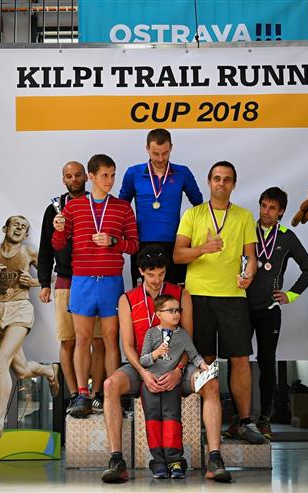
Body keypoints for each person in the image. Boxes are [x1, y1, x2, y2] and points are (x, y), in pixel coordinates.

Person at [101, 245, 230, 484]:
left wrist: (178, 371)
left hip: (178, 365)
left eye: (161, 274)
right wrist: (143, 373)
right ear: (141, 271)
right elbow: (127, 346)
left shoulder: (181, 294)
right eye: (151, 275)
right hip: (143, 366)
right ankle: (116, 460)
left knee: (211, 384)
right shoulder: (127, 299)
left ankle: (215, 459)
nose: (156, 280)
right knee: (110, 385)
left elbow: (188, 339)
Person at [173, 161, 265, 445]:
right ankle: (206, 424)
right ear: (209, 182)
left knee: (240, 359)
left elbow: (251, 257)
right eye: (216, 178)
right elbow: (177, 255)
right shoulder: (193, 214)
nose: (221, 183)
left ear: (233, 184)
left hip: (233, 296)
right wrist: (204, 248)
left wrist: (249, 274)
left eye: (226, 179)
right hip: (198, 296)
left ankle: (244, 422)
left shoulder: (244, 216)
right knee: (205, 360)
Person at [52, 154, 139, 418]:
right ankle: (82, 394)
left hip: (111, 281)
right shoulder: (74, 208)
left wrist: (114, 242)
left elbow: (134, 245)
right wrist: (58, 229)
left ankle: (112, 393)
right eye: (104, 175)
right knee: (82, 339)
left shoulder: (123, 208)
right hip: (82, 281)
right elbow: (58, 244)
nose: (110, 181)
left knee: (111, 339)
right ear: (91, 177)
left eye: (113, 175)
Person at [0, 215, 60, 442]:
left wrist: (35, 282)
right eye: (15, 225)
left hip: (20, 309)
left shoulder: (29, 253)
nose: (19, 229)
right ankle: (49, 371)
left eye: (24, 227)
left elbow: (54, 276)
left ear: (27, 234)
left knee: (0, 361)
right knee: (22, 371)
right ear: (5, 228)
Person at [245, 187, 308, 440]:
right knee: (238, 361)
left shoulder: (286, 237)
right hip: (241, 307)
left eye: (272, 208)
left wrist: (290, 295)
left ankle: (265, 418)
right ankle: (241, 419)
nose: (266, 212)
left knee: (267, 362)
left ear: (281, 211)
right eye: (263, 206)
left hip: (269, 310)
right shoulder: (246, 230)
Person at [38, 161, 106, 413]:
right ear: (63, 179)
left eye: (78, 175)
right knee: (68, 341)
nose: (74, 179)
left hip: (95, 279)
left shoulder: (97, 204)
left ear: (86, 177)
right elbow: (46, 247)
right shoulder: (54, 208)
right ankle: (76, 394)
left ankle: (96, 394)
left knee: (98, 340)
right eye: (69, 176)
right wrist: (44, 283)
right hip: (66, 280)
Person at [119, 128, 203, 286]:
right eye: (155, 153)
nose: (160, 158)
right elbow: (121, 207)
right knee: (144, 295)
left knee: (172, 294)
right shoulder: (133, 173)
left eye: (165, 153)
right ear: (147, 148)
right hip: (142, 243)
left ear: (171, 148)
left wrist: (191, 235)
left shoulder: (182, 172)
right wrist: (126, 237)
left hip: (174, 244)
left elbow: (199, 205)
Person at [140, 294, 209, 479]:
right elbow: (143, 360)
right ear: (158, 314)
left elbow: (194, 355)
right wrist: (156, 353)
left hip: (171, 385)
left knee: (172, 420)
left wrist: (203, 366)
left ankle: (175, 461)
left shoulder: (183, 335)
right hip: (152, 385)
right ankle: (158, 462)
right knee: (153, 421)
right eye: (171, 310)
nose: (176, 314)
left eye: (178, 310)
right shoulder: (151, 333)